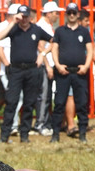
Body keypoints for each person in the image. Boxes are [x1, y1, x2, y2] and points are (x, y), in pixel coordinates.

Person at [0, 5, 52, 143]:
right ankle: (5, 134)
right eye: (22, 16)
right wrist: (13, 22)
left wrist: (42, 54)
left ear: (30, 17)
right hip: (15, 70)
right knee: (11, 102)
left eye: (26, 16)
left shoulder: (36, 30)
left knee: (29, 103)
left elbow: (53, 41)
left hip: (32, 70)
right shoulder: (14, 29)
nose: (24, 19)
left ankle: (25, 134)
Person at [50, 2, 93, 143]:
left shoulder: (84, 31)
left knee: (81, 103)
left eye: (74, 13)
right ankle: (55, 134)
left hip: (79, 73)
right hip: (63, 72)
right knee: (59, 103)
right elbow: (54, 48)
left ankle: (82, 134)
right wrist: (57, 65)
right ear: (66, 14)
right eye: (69, 13)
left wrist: (86, 66)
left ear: (78, 14)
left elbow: (90, 49)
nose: (72, 15)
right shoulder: (60, 31)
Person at [0, 4, 23, 143]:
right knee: (13, 97)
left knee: (19, 97)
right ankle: (11, 126)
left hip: (18, 69)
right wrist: (7, 64)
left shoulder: (19, 27)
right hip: (7, 70)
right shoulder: (2, 27)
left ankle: (13, 125)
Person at [34, 1, 64, 137]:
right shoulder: (42, 26)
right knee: (44, 96)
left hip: (49, 64)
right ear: (49, 13)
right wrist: (47, 64)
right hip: (45, 65)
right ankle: (40, 124)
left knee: (47, 95)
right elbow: (40, 47)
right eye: (55, 13)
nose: (57, 16)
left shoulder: (47, 26)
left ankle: (45, 122)